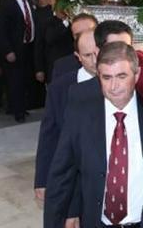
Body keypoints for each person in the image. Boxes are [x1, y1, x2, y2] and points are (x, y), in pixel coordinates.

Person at [43, 42, 143, 228]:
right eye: (106, 77)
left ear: (136, 75)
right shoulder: (82, 112)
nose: (114, 86)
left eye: (122, 76)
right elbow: (62, 173)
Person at [34, 30, 99, 204]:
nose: (95, 60)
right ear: (77, 56)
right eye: (87, 55)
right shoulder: (60, 87)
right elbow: (49, 133)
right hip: (73, 172)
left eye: (98, 53)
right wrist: (42, 179)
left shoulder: (118, 83)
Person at [0, 0, 37, 122]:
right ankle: (17, 111)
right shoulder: (8, 5)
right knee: (16, 81)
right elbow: (2, 32)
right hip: (15, 49)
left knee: (26, 79)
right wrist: (8, 51)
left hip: (29, 47)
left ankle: (22, 107)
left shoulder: (31, 2)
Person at [34, 0, 73, 83]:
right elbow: (42, 43)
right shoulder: (46, 18)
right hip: (53, 67)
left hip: (71, 66)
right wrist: (39, 69)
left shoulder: (73, 20)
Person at [50, 13, 98, 82]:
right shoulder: (62, 67)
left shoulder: (116, 60)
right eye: (78, 35)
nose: (84, 37)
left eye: (89, 32)